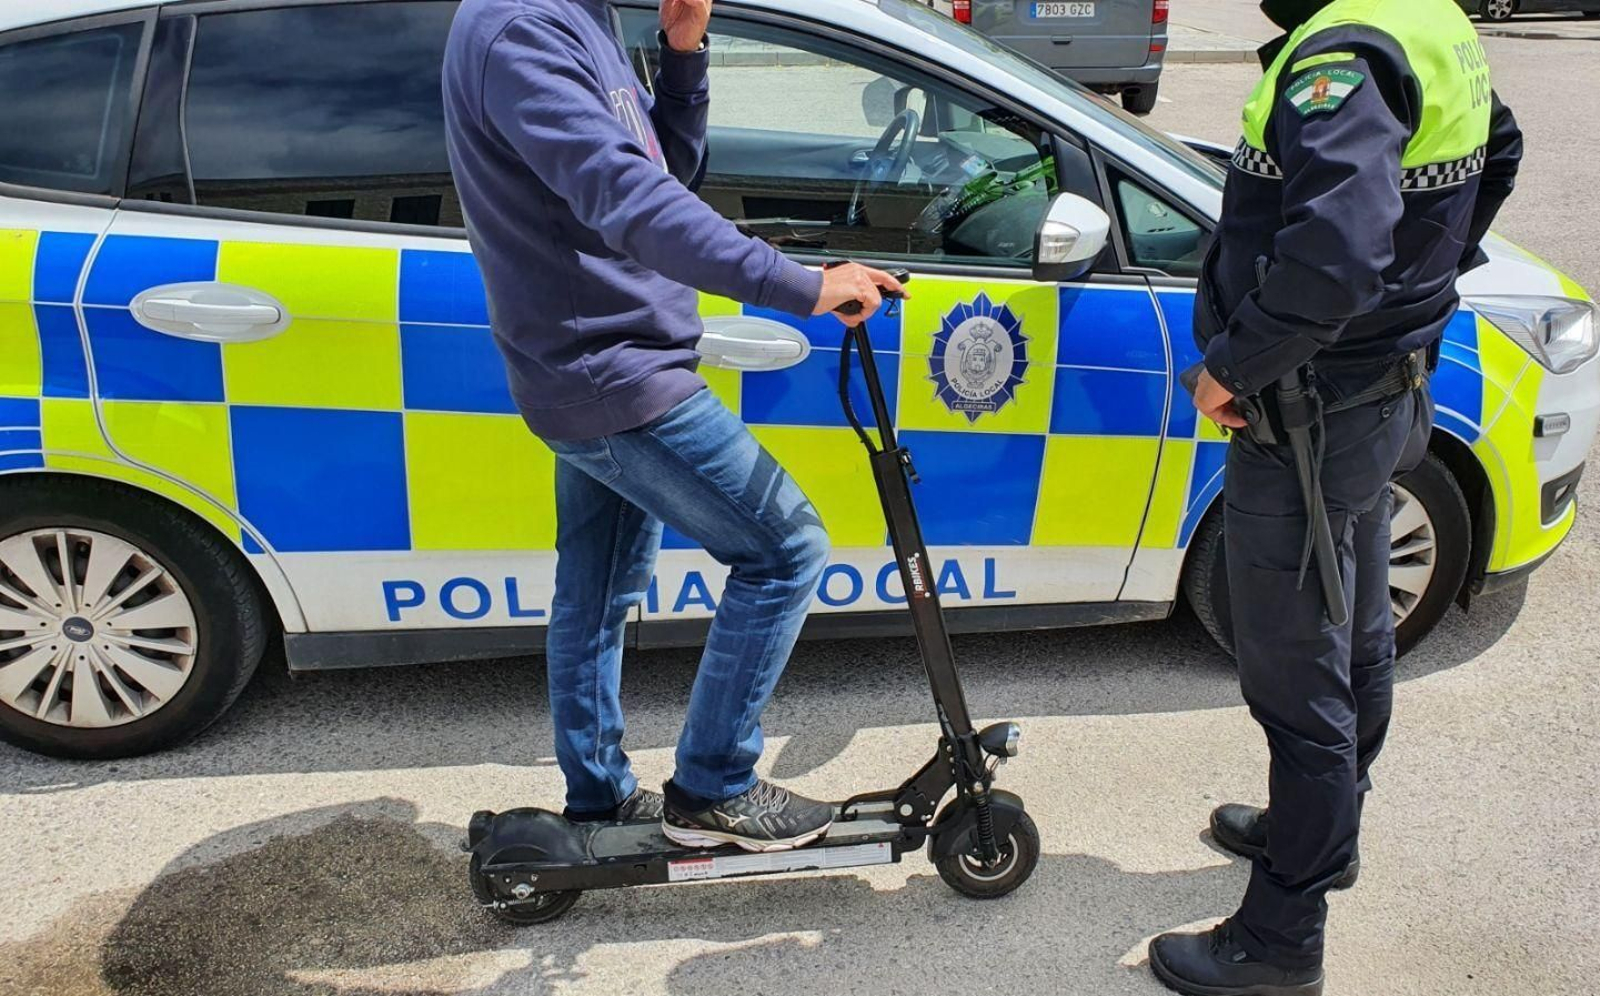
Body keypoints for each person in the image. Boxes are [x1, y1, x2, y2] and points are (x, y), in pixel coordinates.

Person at [442, 0, 905, 852]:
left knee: (598, 592)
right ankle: (715, 785)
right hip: (612, 370)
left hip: (601, 360)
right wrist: (800, 285)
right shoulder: (521, 31)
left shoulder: (580, 17)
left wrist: (683, 52)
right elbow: (627, 201)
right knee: (785, 548)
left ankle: (599, 796)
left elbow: (662, 174)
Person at [1149, 0, 1522, 993]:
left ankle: (1280, 938)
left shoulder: (1340, 53)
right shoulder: (1421, 19)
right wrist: (1424, 284)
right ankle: (1327, 824)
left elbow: (1335, 253)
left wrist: (1233, 364)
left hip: (1309, 411)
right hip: (1383, 393)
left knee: (1292, 669)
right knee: (1352, 623)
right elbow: (1503, 147)